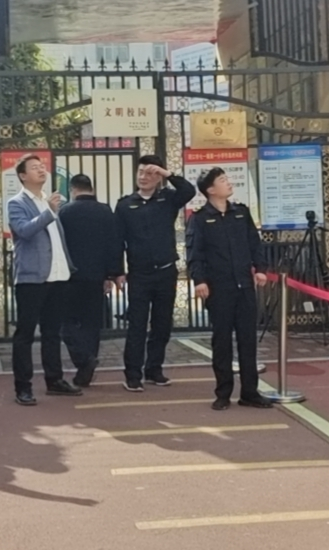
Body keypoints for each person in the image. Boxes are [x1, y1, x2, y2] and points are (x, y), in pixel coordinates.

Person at [186, 166, 272, 411]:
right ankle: (223, 392)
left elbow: (254, 243)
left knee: (248, 340)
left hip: (244, 285)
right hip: (218, 288)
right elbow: (195, 252)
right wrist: (199, 280)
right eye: (223, 180)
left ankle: (250, 392)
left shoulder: (241, 213)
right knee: (222, 341)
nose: (229, 183)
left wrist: (261, 268)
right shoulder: (200, 219)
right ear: (211, 190)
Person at [114, 155, 196, 392]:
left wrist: (167, 173)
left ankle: (154, 369)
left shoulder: (168, 199)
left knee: (162, 324)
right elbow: (117, 241)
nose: (144, 177)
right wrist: (117, 272)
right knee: (137, 325)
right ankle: (133, 374)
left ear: (159, 177)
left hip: (166, 272)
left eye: (150, 173)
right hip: (139, 274)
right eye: (141, 172)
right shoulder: (125, 205)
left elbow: (188, 191)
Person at [6, 154, 81, 404]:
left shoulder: (49, 201)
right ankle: (23, 387)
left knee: (52, 332)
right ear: (22, 175)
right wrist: (49, 211)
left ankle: (54, 380)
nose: (41, 170)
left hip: (58, 276)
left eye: (42, 166)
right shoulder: (16, 203)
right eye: (34, 167)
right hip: (32, 278)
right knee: (25, 334)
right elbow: (24, 231)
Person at [58, 173, 122, 388]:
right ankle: (87, 366)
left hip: (70, 276)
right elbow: (114, 244)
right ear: (91, 189)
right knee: (92, 323)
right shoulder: (105, 211)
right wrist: (112, 274)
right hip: (96, 277)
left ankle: (83, 359)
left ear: (73, 190)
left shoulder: (64, 212)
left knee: (66, 322)